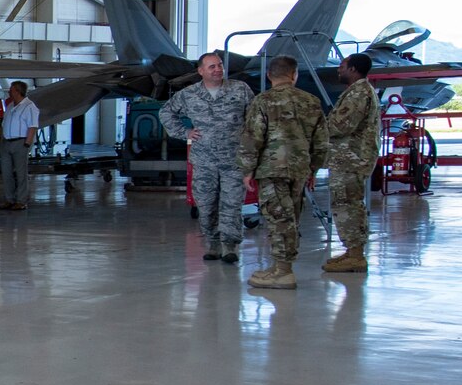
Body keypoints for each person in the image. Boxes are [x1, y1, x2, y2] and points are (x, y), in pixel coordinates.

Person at [239, 56, 328, 290]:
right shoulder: (311, 101)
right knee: (292, 218)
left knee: (279, 219)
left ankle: (282, 271)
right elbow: (321, 141)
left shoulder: (263, 101)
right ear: (294, 75)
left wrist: (247, 169)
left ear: (269, 75)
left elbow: (252, 138)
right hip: (299, 169)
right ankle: (282, 265)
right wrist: (313, 169)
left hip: (272, 169)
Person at [161, 51, 256, 262]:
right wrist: (184, 133)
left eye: (220, 65)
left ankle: (229, 245)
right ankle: (213, 243)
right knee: (206, 203)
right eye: (212, 66)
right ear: (201, 71)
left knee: (231, 203)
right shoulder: (189, 94)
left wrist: (250, 145)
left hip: (234, 159)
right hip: (204, 160)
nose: (217, 69)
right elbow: (166, 113)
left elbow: (254, 119)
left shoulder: (240, 90)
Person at [323, 55, 380, 274]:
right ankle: (352, 251)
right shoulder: (360, 91)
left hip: (350, 159)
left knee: (348, 205)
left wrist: (319, 128)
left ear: (354, 69)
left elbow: (341, 126)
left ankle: (355, 255)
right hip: (349, 158)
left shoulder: (358, 93)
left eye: (342, 67)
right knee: (347, 203)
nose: (338, 71)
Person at [0, 81, 40, 211]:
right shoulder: (10, 105)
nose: (9, 92)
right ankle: (9, 199)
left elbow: (32, 126)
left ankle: (21, 201)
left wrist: (27, 143)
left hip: (20, 142)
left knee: (21, 173)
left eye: (11, 89)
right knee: (6, 172)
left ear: (17, 91)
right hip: (6, 142)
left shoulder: (29, 106)